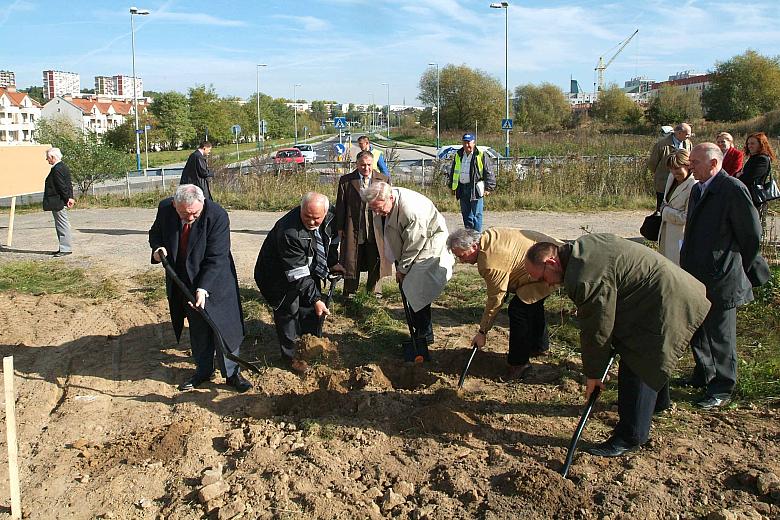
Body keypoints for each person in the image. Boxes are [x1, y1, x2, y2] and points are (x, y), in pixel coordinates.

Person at [526, 234, 710, 457]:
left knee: (638, 362)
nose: (548, 284)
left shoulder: (584, 277)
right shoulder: (579, 250)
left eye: (543, 278)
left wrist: (593, 375)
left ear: (551, 262)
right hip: (660, 294)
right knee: (642, 351)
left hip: (668, 300)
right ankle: (658, 403)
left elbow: (597, 328)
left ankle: (630, 437)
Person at [680, 143, 767, 409]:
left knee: (720, 334)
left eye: (695, 161)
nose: (690, 166)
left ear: (714, 164)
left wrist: (732, 263)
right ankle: (704, 373)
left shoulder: (732, 190)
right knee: (698, 327)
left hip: (721, 275)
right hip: (696, 272)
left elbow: (751, 235)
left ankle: (723, 386)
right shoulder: (698, 188)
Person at [149, 184, 251, 393]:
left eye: (194, 213)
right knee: (198, 328)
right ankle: (203, 371)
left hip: (216, 279)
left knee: (223, 327)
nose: (189, 218)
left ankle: (232, 374)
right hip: (183, 280)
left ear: (202, 203)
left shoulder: (217, 216)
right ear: (174, 205)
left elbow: (217, 257)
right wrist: (157, 249)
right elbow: (155, 233)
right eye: (184, 214)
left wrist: (203, 288)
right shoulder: (165, 208)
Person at [447, 227, 562, 379]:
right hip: (547, 256)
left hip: (549, 267)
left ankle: (518, 364)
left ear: (474, 246)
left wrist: (483, 331)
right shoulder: (489, 235)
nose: (462, 261)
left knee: (518, 310)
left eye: (462, 256)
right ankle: (538, 346)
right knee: (531, 302)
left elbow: (496, 298)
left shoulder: (489, 262)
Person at [254, 192, 339, 373]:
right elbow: (298, 275)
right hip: (276, 276)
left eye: (316, 218)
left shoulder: (331, 216)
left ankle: (309, 344)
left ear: (325, 213)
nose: (311, 221)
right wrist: (316, 299)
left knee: (310, 306)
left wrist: (332, 262)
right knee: (288, 311)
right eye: (306, 216)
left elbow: (329, 239)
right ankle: (291, 356)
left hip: (306, 265)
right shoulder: (289, 232)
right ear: (300, 208)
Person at [363, 182, 454, 349]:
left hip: (428, 243)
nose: (377, 212)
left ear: (390, 198)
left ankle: (424, 334)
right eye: (373, 209)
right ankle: (419, 330)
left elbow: (414, 243)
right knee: (408, 288)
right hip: (410, 245)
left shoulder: (411, 210)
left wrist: (402, 269)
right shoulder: (387, 202)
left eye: (379, 208)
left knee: (416, 287)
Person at [334, 150, 392, 298]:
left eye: (368, 165)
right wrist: (340, 227)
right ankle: (350, 292)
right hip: (353, 227)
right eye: (362, 165)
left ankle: (374, 291)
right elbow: (341, 206)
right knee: (352, 259)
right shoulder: (346, 181)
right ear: (357, 164)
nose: (366, 168)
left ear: (373, 164)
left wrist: (388, 228)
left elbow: (388, 205)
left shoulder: (383, 179)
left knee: (376, 258)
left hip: (376, 228)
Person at [447, 133, 496, 231]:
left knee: (477, 214)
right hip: (461, 187)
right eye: (464, 142)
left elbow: (489, 171)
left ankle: (477, 237)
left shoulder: (481, 155)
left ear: (474, 143)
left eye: (469, 142)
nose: (466, 145)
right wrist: (452, 186)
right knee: (466, 214)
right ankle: (469, 236)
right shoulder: (459, 155)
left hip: (475, 188)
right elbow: (454, 171)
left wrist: (488, 188)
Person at [658, 149, 697, 265]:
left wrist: (665, 211)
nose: (674, 172)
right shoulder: (671, 178)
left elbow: (687, 217)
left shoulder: (693, 185)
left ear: (688, 165)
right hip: (666, 234)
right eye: (671, 169)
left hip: (680, 237)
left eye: (677, 168)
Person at [647, 123, 692, 211]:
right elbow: (652, 164)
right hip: (663, 183)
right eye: (687, 134)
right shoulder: (661, 145)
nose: (689, 136)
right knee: (661, 209)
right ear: (679, 133)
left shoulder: (688, 144)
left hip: (683, 183)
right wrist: (660, 175)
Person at [43, 147, 75, 257]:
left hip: (58, 201)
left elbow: (62, 186)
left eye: (48, 158)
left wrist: (67, 198)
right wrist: (70, 197)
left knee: (62, 224)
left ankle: (65, 248)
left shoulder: (57, 169)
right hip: (60, 200)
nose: (47, 160)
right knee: (61, 224)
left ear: (52, 157)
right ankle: (63, 247)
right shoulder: (63, 167)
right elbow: (68, 184)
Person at [737, 132, 776, 214]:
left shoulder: (762, 159)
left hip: (754, 197)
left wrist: (738, 176)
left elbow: (749, 178)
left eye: (753, 143)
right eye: (748, 143)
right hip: (747, 196)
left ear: (761, 144)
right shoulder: (754, 157)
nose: (749, 146)